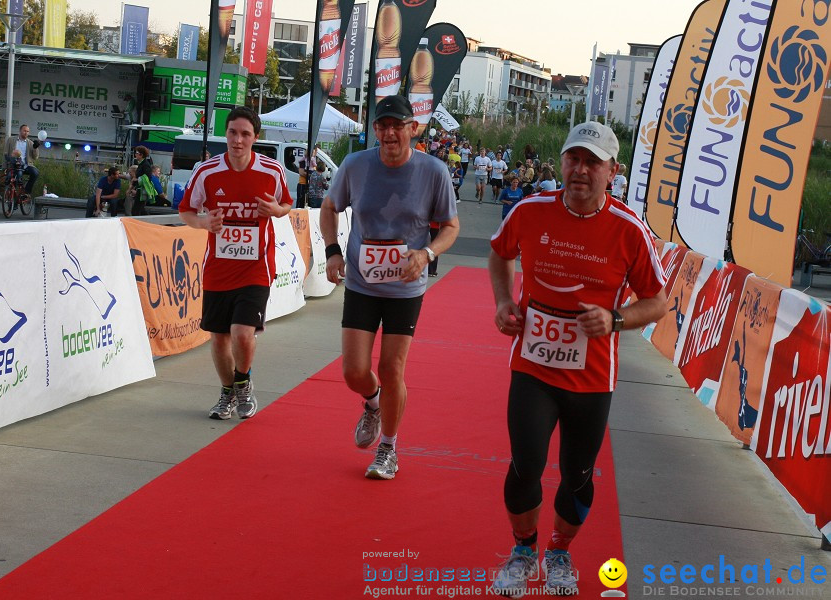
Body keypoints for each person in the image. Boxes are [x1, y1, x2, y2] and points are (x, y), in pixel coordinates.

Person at [488, 122, 667, 596]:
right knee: (525, 464)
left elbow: (657, 301)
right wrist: (504, 302)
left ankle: (560, 552)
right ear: (561, 161)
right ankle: (523, 549)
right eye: (573, 158)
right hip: (533, 365)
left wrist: (617, 320)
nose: (580, 170)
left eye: (592, 162)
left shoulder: (629, 229)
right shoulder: (530, 210)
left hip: (591, 377)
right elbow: (499, 254)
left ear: (612, 171)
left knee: (577, 475)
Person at [319, 94, 459, 480]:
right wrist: (332, 252)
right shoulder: (355, 165)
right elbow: (329, 208)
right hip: (362, 283)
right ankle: (372, 403)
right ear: (375, 129)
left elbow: (450, 227)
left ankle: (388, 449)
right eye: (383, 126)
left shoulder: (433, 172)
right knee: (354, 371)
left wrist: (427, 253)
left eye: (398, 125)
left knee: (392, 367)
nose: (390, 133)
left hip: (405, 288)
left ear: (413, 128)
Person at [178, 106, 293, 421]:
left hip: (256, 268)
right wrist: (204, 223)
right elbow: (187, 210)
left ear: (255, 138)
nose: (238, 140)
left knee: (243, 333)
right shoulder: (207, 171)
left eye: (245, 134)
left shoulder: (271, 171)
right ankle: (227, 392)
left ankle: (243, 382)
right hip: (218, 268)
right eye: (232, 132)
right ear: (225, 134)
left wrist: (275, 210)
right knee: (219, 337)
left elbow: (286, 204)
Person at [4, 124, 40, 201]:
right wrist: (6, 164)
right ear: (20, 131)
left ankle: (26, 192)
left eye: (27, 131)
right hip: (13, 165)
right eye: (24, 131)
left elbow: (35, 157)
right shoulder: (11, 140)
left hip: (26, 165)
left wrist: (35, 148)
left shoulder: (30, 143)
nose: (26, 133)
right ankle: (13, 202)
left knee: (35, 173)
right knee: (13, 181)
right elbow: (5, 153)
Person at [128, 146, 154, 216]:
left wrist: (137, 179)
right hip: (139, 189)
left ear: (141, 155)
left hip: (143, 190)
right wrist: (131, 187)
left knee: (136, 210)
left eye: (136, 153)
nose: (135, 154)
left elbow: (148, 177)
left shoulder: (146, 165)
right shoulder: (141, 164)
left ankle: (137, 224)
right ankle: (149, 221)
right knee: (140, 209)